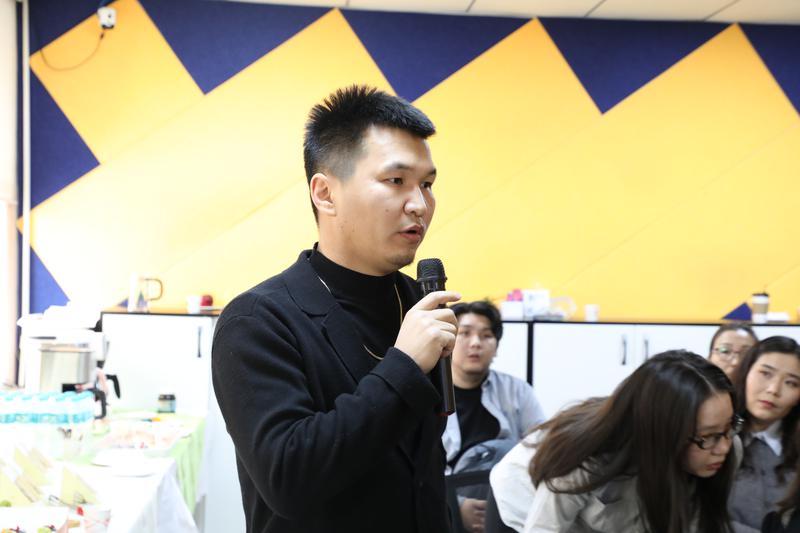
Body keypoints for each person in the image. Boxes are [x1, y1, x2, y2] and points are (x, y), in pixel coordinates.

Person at [211, 85, 461, 533]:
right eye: (396, 181)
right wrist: (404, 366)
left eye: (427, 184)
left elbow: (421, 470)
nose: (420, 205)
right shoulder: (259, 320)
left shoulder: (416, 300)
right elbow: (288, 479)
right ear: (325, 193)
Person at [490, 350, 738, 533]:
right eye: (708, 436)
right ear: (662, 430)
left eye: (728, 428)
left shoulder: (724, 448)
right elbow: (544, 527)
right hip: (526, 502)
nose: (724, 447)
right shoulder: (588, 458)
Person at [445, 300, 547, 532]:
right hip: (444, 500)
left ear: (497, 346)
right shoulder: (428, 392)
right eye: (465, 333)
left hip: (507, 500)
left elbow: (542, 447)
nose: (475, 343)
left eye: (486, 335)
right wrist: (454, 505)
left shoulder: (517, 391)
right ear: (448, 341)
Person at [730, 336, 800, 533]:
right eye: (766, 373)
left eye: (791, 383)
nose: (773, 390)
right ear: (746, 372)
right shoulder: (715, 436)